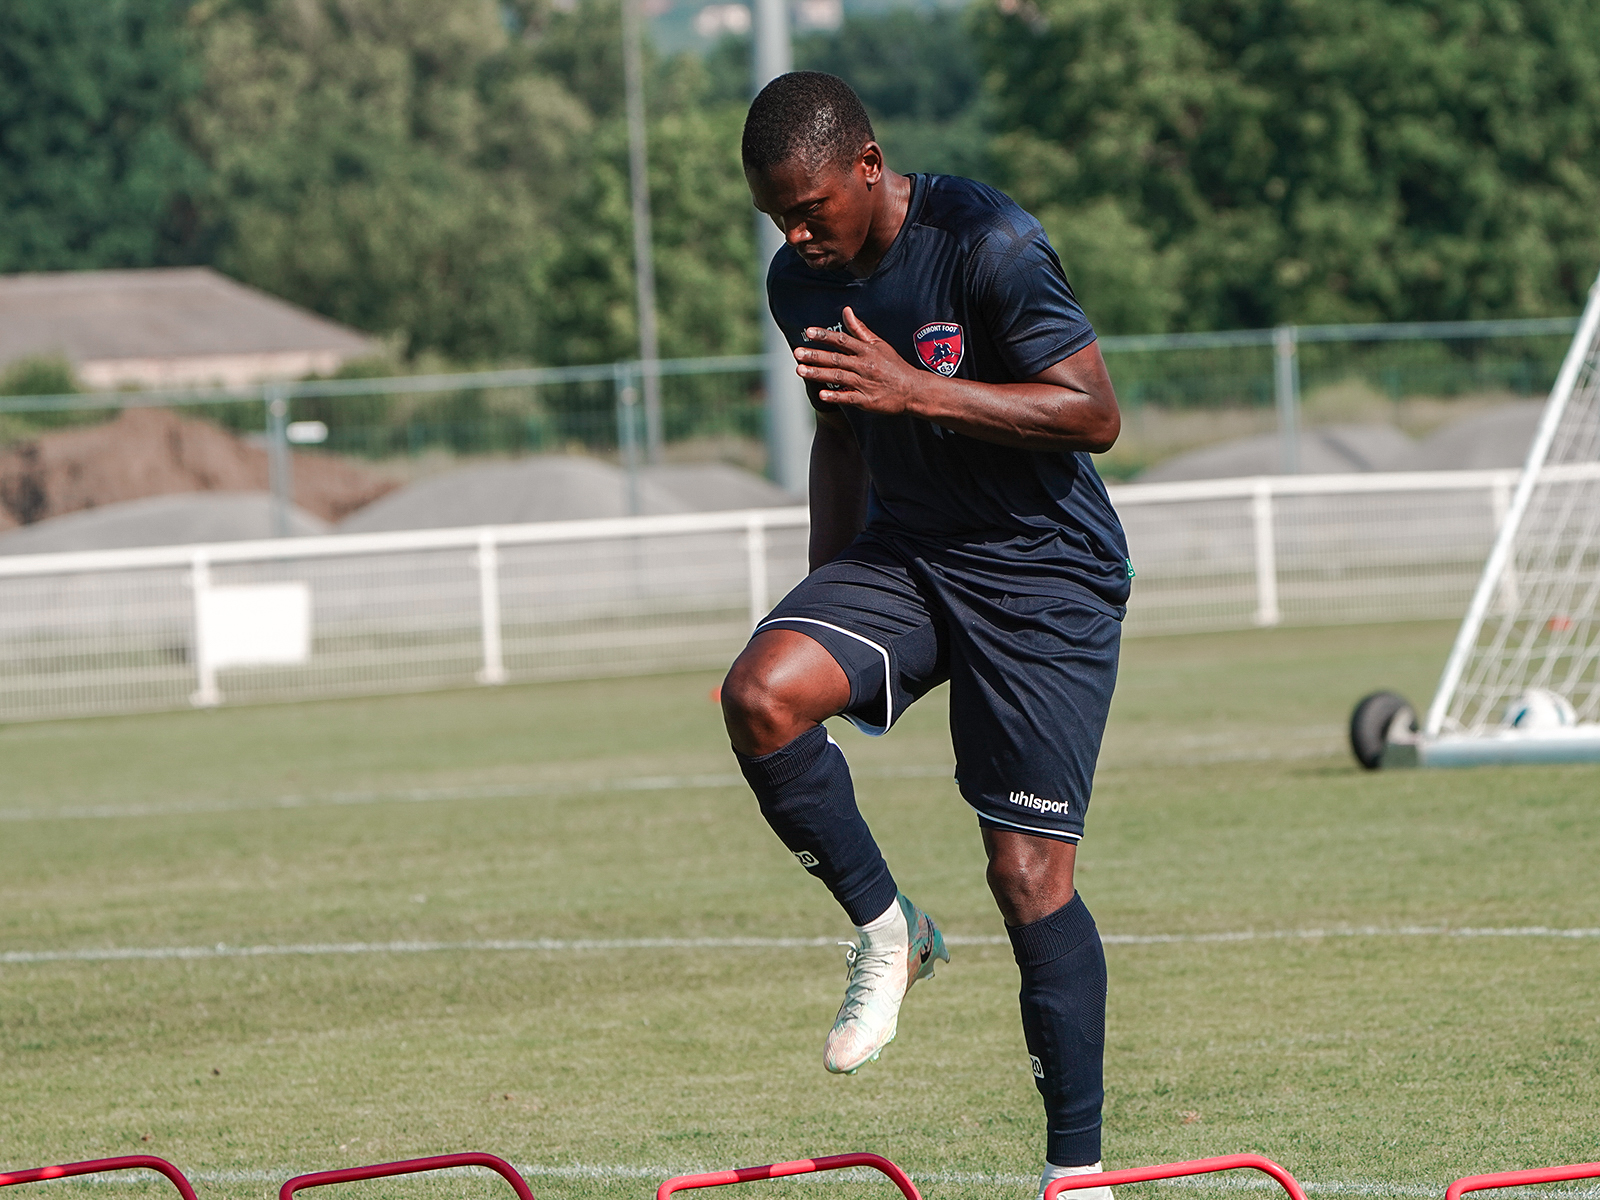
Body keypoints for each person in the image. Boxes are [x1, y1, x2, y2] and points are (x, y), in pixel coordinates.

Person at [720, 71, 1131, 1200]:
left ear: (867, 164)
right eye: (775, 219)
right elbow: (843, 436)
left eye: (810, 208)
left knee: (1027, 875)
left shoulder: (987, 239)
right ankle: (888, 928)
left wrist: (924, 392)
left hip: (1042, 573)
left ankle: (1075, 1173)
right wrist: (825, 595)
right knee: (761, 694)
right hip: (905, 556)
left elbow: (1093, 414)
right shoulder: (793, 284)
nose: (797, 236)